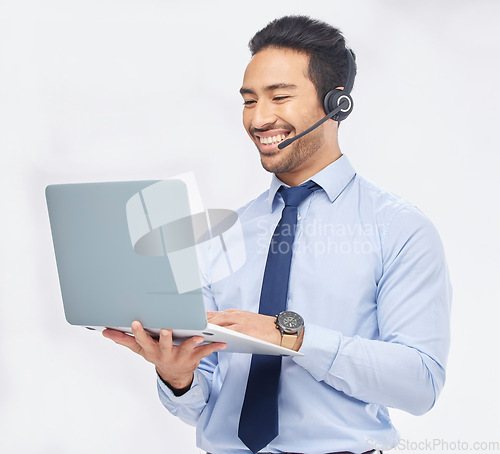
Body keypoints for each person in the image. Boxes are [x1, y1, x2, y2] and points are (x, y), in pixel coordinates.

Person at [103, 15, 451, 454]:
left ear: (336, 104)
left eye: (279, 97)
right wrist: (178, 377)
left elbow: (420, 384)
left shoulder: (400, 229)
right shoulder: (225, 232)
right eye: (249, 101)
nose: (259, 119)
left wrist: (292, 337)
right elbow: (199, 404)